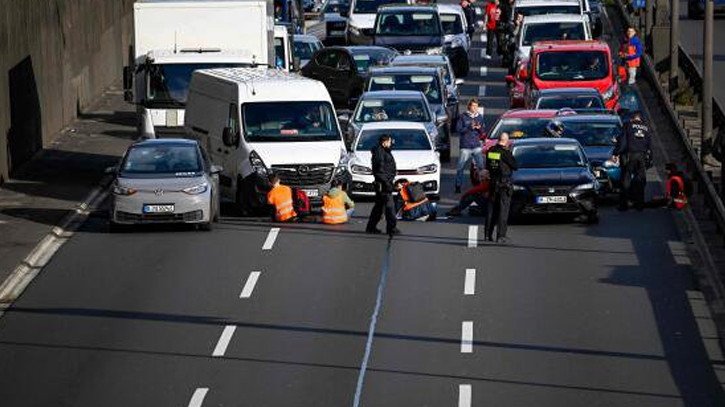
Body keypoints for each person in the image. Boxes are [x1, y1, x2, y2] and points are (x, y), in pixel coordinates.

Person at [612, 111, 652, 211]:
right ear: (640, 119)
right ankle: (639, 205)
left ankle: (623, 205)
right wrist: (650, 160)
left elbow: (623, 142)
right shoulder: (646, 128)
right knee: (640, 180)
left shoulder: (628, 126)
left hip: (630, 155)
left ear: (632, 118)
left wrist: (616, 153)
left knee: (626, 180)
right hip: (642, 156)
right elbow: (650, 145)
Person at [485, 132, 518, 243]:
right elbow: (515, 166)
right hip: (504, 183)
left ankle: (487, 234)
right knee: (503, 210)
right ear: (506, 141)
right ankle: (501, 236)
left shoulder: (491, 151)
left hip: (493, 183)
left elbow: (488, 166)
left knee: (491, 209)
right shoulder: (505, 153)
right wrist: (509, 152)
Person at [366, 134, 400, 235]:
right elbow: (379, 171)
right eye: (389, 142)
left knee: (379, 207)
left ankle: (371, 227)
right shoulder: (379, 153)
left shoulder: (383, 151)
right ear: (384, 142)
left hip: (385, 182)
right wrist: (387, 183)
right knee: (390, 208)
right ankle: (391, 228)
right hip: (383, 185)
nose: (391, 144)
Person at [455, 98, 486, 193]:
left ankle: (482, 186)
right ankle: (458, 186)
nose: (475, 108)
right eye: (473, 106)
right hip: (465, 146)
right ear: (469, 106)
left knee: (481, 167)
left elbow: (483, 132)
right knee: (461, 167)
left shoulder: (480, 117)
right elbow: (458, 129)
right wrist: (469, 127)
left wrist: (479, 128)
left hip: (476, 146)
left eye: (476, 106)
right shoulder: (463, 117)